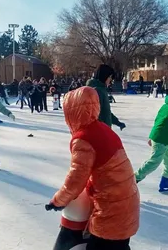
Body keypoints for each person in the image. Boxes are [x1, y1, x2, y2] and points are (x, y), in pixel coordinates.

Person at [46, 86, 140, 250]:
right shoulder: (103, 129)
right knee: (119, 245)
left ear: (72, 112)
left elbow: (76, 179)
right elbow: (106, 169)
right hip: (126, 201)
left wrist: (58, 201)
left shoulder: (83, 138)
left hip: (111, 209)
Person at [86, 64, 126, 130]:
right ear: (104, 76)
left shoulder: (100, 90)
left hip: (103, 131)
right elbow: (95, 115)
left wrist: (117, 122)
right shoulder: (98, 91)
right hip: (100, 132)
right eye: (110, 77)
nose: (110, 80)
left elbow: (106, 112)